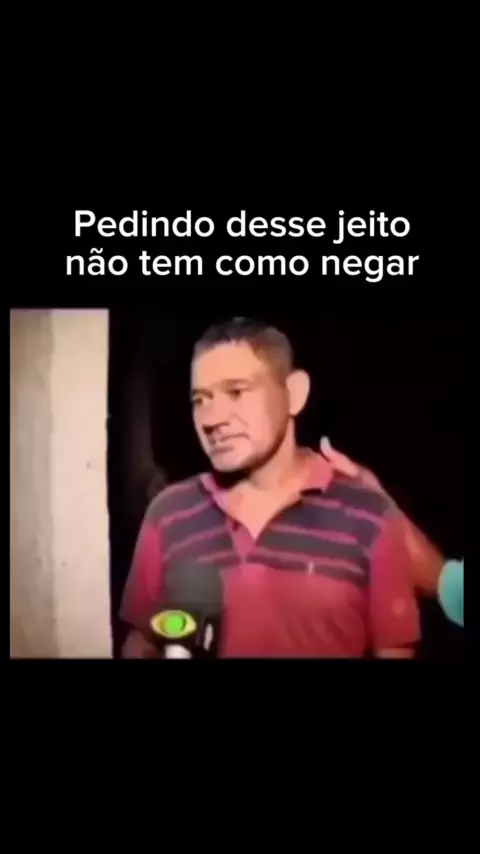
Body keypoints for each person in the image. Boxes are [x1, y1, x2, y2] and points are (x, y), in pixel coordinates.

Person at [120, 317, 443, 659]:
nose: (212, 419)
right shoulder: (169, 513)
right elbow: (140, 642)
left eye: (236, 392)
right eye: (200, 400)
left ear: (294, 394)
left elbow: (395, 651)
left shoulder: (369, 515)